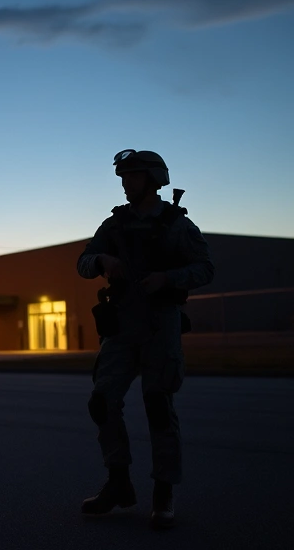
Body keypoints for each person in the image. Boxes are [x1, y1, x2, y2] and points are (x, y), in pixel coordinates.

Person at [75, 149, 214, 529]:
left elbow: (205, 268)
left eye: (132, 176)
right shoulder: (114, 225)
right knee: (102, 402)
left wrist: (168, 279)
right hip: (121, 327)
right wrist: (103, 262)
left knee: (157, 405)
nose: (125, 183)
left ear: (153, 179)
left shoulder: (176, 225)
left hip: (159, 326)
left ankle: (163, 491)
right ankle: (118, 483)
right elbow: (84, 261)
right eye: (123, 176)